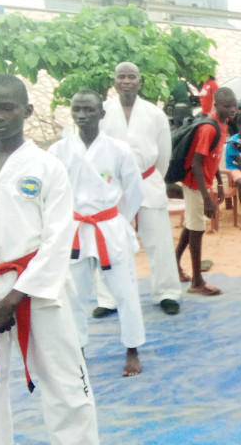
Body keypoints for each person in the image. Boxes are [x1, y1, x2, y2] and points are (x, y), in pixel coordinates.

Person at [0, 74, 99, 444]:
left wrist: (11, 301)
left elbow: (57, 240)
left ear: (28, 110)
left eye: (7, 108)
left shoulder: (48, 167)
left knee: (65, 380)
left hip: (38, 288)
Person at [50, 89, 147, 377]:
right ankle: (77, 349)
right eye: (77, 110)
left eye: (89, 110)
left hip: (108, 227)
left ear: (102, 114)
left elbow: (134, 191)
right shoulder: (59, 151)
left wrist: (116, 220)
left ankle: (132, 349)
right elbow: (53, 194)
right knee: (75, 296)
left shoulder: (118, 149)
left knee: (125, 292)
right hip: (75, 228)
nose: (81, 115)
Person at [96, 61, 183, 316]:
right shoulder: (102, 111)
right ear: (114, 81)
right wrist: (107, 180)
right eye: (121, 77)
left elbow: (164, 155)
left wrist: (151, 178)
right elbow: (97, 152)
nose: (126, 81)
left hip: (147, 180)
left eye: (131, 77)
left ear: (139, 81)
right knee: (111, 242)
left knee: (159, 241)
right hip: (113, 184)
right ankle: (108, 299)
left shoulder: (154, 114)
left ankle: (167, 293)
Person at [174, 88, 237, 296]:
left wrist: (218, 184)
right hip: (194, 184)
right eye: (227, 106)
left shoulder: (223, 124)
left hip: (204, 183)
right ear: (216, 106)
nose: (232, 109)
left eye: (234, 105)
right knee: (197, 229)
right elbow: (197, 163)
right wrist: (206, 198)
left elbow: (214, 157)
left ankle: (174, 263)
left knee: (192, 224)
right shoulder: (208, 128)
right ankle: (197, 282)